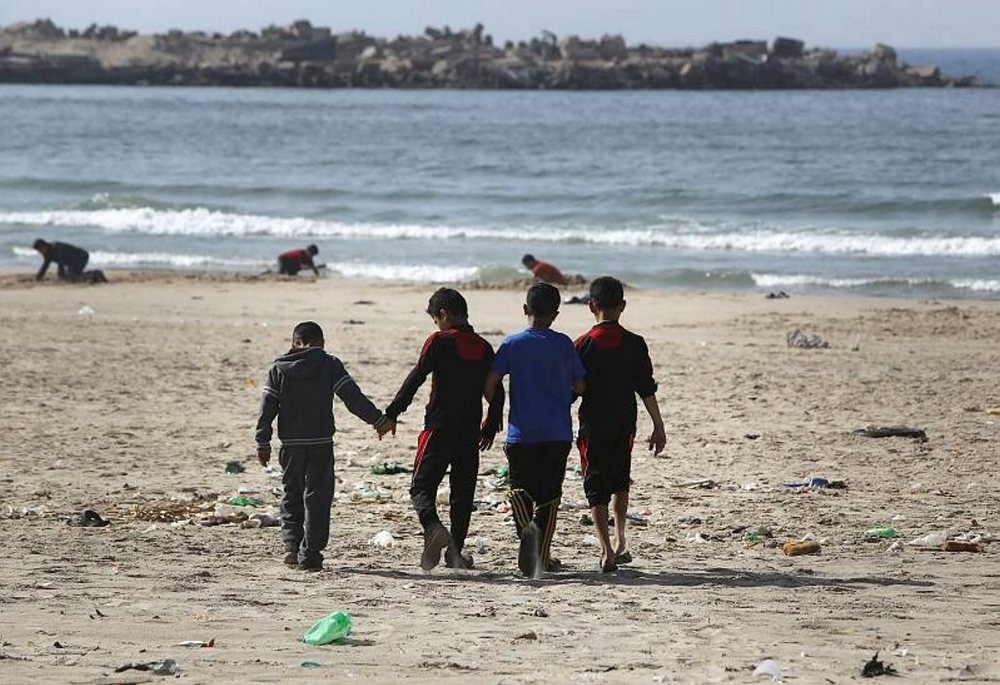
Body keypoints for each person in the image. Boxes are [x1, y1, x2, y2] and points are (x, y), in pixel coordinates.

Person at [255, 321, 393, 571]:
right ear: (322, 342)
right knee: (318, 497)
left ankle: (291, 546)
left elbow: (267, 409)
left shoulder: (278, 369)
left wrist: (262, 442)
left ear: (295, 343)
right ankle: (311, 553)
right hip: (320, 443)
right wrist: (378, 420)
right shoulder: (329, 364)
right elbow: (352, 398)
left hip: (290, 445)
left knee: (291, 493)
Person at [384, 288, 505, 571]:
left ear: (444, 315)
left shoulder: (439, 341)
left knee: (421, 487)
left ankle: (433, 527)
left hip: (438, 429)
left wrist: (392, 413)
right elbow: (495, 390)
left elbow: (416, 378)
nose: (436, 325)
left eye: (436, 320)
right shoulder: (484, 347)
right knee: (462, 495)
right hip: (469, 433)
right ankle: (455, 554)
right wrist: (490, 423)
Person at [484, 283, 586, 578]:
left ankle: (527, 531)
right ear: (555, 314)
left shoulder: (512, 344)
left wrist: (495, 407)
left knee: (519, 490)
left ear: (525, 309)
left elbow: (490, 383)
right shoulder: (564, 344)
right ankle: (541, 555)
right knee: (550, 498)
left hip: (521, 432)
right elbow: (580, 386)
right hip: (556, 432)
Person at [574, 276, 665, 573]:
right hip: (625, 424)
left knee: (595, 487)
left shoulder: (583, 345)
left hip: (593, 426)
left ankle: (605, 551)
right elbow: (646, 388)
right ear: (622, 306)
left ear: (591, 306)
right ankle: (620, 539)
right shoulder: (635, 344)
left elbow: (573, 390)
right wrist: (658, 425)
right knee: (620, 482)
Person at [33, 239, 106, 283]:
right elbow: (45, 266)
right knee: (72, 276)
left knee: (73, 276)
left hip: (81, 256)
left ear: (44, 246)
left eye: (40, 250)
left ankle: (96, 274)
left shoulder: (56, 247)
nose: (40, 252)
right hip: (71, 261)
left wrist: (61, 276)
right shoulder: (47, 253)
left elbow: (61, 264)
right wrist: (38, 278)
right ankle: (93, 275)